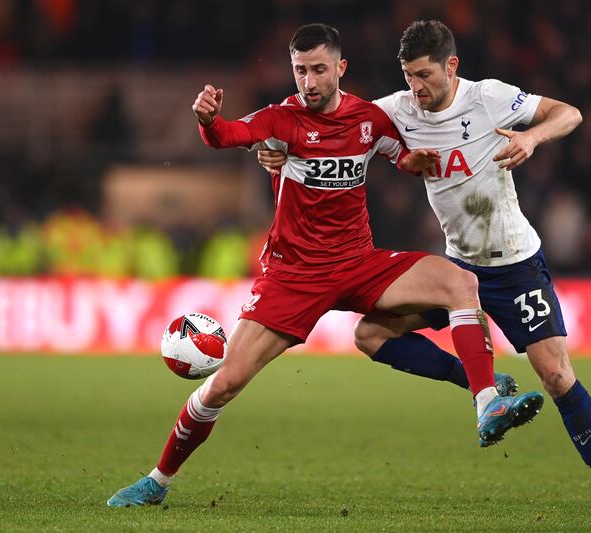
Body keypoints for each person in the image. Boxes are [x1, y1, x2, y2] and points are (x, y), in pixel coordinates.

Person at [107, 23, 543, 508]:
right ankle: (157, 480)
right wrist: (209, 120)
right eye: (300, 71)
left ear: (340, 68)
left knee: (460, 280)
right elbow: (228, 136)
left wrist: (414, 161)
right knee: (223, 385)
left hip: (359, 262)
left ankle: (486, 402)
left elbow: (399, 156)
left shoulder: (369, 118)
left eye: (318, 70)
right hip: (294, 275)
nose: (308, 82)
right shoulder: (280, 120)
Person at [258, 20, 591, 519]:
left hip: (516, 266)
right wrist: (276, 150)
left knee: (557, 375)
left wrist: (534, 138)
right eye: (409, 76)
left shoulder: (489, 98)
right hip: (461, 272)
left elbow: (570, 113)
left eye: (426, 75)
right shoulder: (397, 110)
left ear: (451, 66)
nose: (417, 88)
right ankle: (483, 384)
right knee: (370, 335)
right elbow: (327, 126)